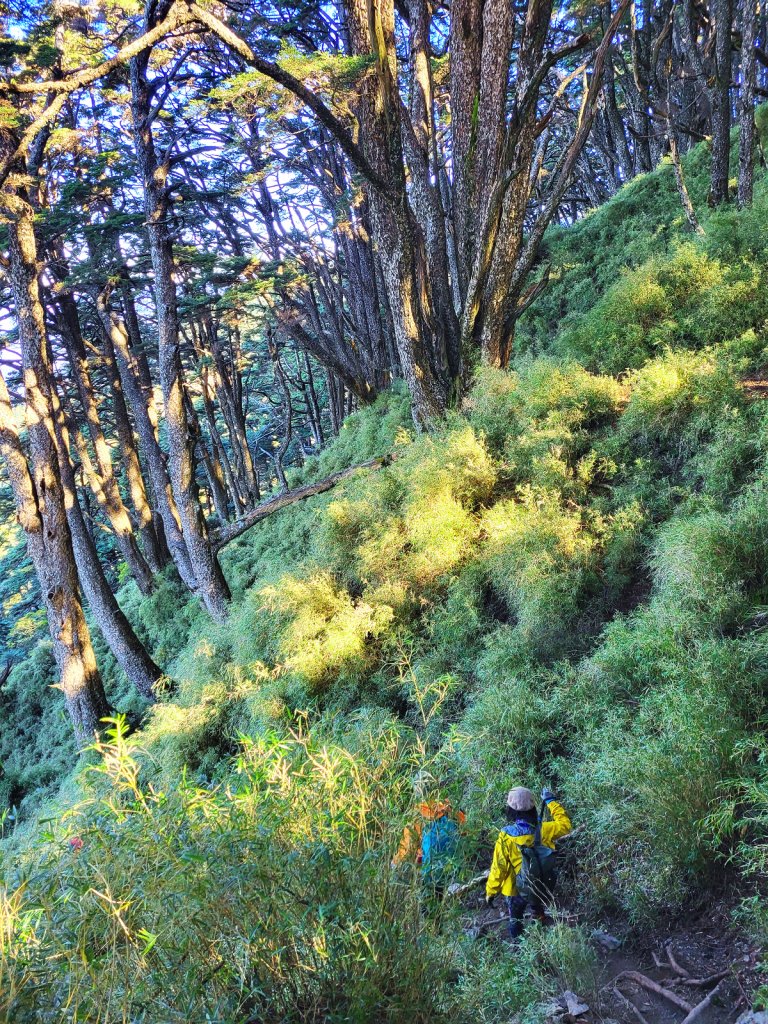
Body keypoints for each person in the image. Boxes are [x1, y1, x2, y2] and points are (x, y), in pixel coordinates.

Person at [485, 786, 571, 939]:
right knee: (537, 907)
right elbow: (565, 825)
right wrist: (550, 801)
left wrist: (491, 892)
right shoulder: (544, 829)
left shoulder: (506, 835)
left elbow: (499, 868)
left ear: (510, 810)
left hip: (515, 890)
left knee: (515, 918)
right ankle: (541, 934)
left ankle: (519, 945)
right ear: (532, 808)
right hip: (539, 883)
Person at [393, 799, 466, 885]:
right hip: (455, 876)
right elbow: (465, 834)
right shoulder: (453, 810)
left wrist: (393, 867)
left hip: (430, 879)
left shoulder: (417, 816)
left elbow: (405, 852)